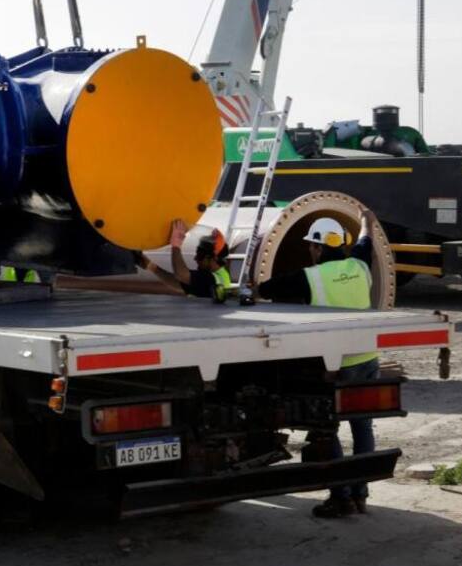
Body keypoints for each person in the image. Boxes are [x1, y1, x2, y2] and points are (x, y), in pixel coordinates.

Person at [256, 208, 379, 519]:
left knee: (328, 429)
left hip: (335, 366)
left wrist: (250, 290)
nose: (310, 250)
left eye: (311, 245)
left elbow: (268, 289)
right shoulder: (359, 265)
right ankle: (360, 494)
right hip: (367, 358)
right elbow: (366, 238)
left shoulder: (311, 276)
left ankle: (341, 497)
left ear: (319, 247)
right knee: (363, 427)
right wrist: (366, 219)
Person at [136, 219, 232, 303]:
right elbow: (178, 283)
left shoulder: (212, 278)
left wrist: (176, 246)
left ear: (213, 259)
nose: (195, 259)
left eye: (199, 256)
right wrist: (152, 267)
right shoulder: (221, 275)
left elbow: (181, 275)